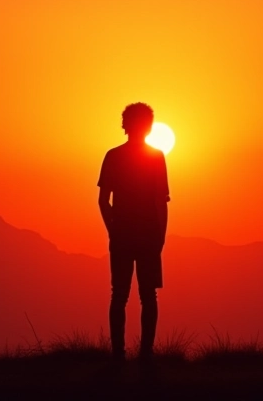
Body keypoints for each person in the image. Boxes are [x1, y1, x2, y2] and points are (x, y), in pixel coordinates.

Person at [97, 102, 170, 362]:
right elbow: (161, 201)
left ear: (125, 124)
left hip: (126, 234)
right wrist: (161, 234)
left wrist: (112, 229)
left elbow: (103, 200)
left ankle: (120, 354)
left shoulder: (114, 156)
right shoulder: (155, 157)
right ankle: (144, 354)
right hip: (146, 233)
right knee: (146, 295)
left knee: (120, 294)